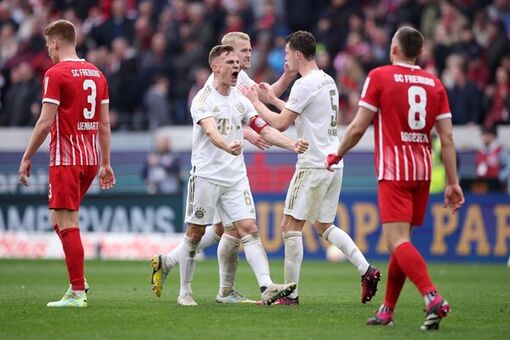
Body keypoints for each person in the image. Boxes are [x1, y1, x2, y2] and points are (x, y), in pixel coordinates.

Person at [325, 26, 465, 330]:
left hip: (394, 170)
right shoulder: (434, 83)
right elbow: (448, 138)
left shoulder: (379, 76)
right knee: (402, 243)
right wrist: (453, 182)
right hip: (423, 170)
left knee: (395, 240)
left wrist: (337, 154)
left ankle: (432, 298)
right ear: (419, 52)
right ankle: (387, 310)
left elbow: (359, 127)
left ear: (394, 49)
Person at [150, 31, 297, 304]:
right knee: (203, 232)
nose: (245, 58)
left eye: (249, 51)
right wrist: (231, 141)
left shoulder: (239, 83)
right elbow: (212, 129)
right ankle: (184, 285)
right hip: (208, 173)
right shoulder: (206, 95)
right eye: (242, 52)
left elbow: (258, 112)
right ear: (221, 60)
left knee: (244, 229)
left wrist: (290, 145)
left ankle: (262, 286)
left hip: (234, 174)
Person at [240, 30, 381, 306]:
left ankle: (290, 296)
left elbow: (280, 124)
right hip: (333, 162)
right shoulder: (326, 80)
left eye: (285, 55)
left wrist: (256, 103)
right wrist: (272, 99)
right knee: (324, 225)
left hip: (313, 163)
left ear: (297, 55)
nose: (284, 61)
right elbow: (301, 112)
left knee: (289, 226)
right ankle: (367, 270)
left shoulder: (304, 84)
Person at [18, 19, 115, 307]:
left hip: (66, 159)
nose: (48, 50)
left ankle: (77, 291)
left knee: (68, 222)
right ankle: (79, 279)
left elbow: (45, 123)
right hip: (89, 159)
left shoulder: (55, 73)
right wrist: (106, 163)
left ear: (57, 43)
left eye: (48, 44)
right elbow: (105, 125)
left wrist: (26, 156)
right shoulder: (97, 74)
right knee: (56, 219)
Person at [475, 125, 510, 192]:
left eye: (488, 135)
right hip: (482, 184)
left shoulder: (500, 150)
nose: (485, 137)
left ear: (493, 136)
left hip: (497, 185)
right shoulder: (480, 150)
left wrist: (500, 177)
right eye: (484, 135)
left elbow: (508, 166)